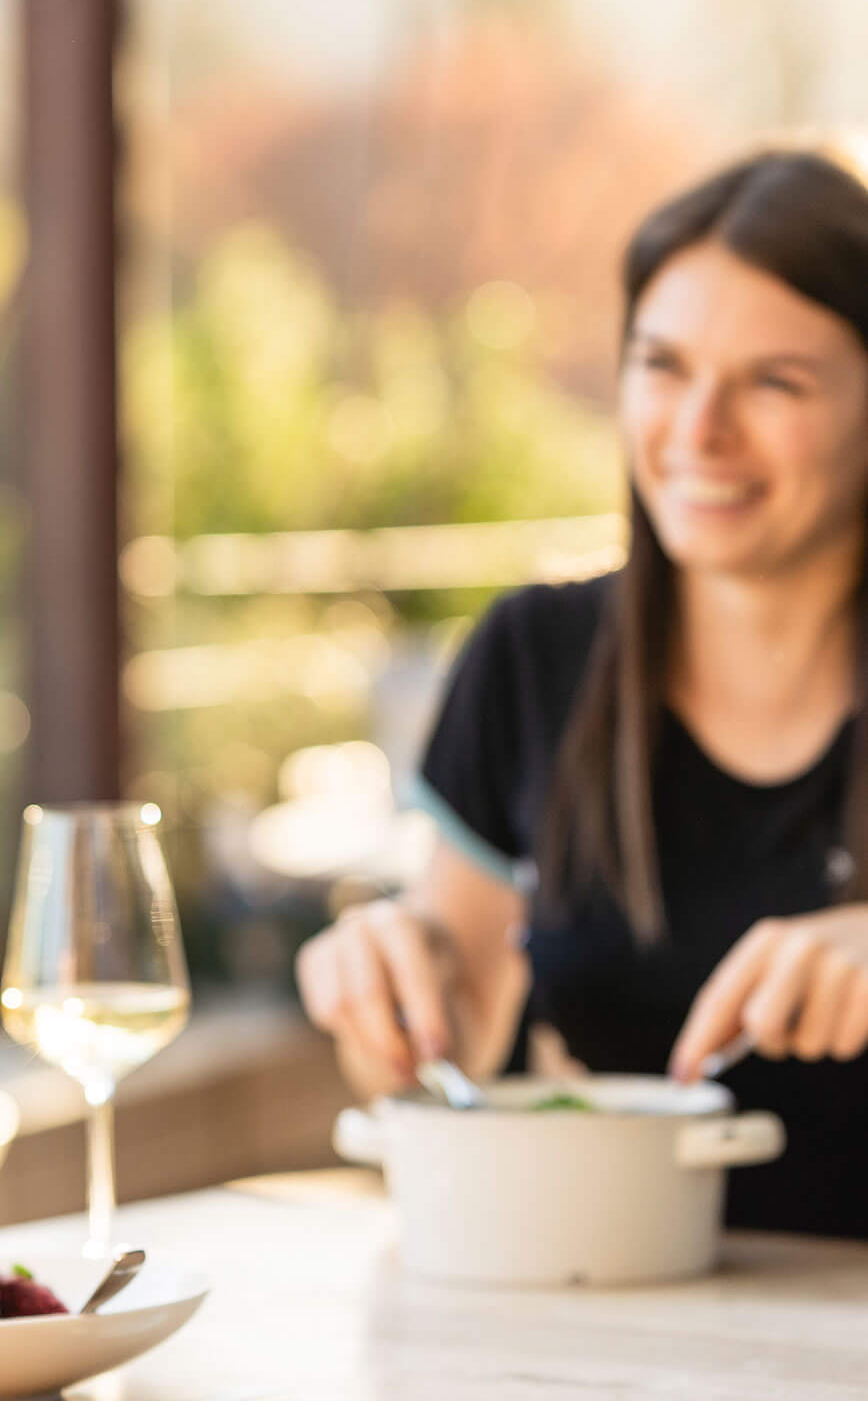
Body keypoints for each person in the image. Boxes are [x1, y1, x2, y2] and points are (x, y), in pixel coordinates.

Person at [297, 148, 868, 1240]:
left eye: (774, 383)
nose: (697, 431)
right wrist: (389, 991)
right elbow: (445, 1051)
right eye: (663, 366)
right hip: (594, 1305)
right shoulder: (534, 655)